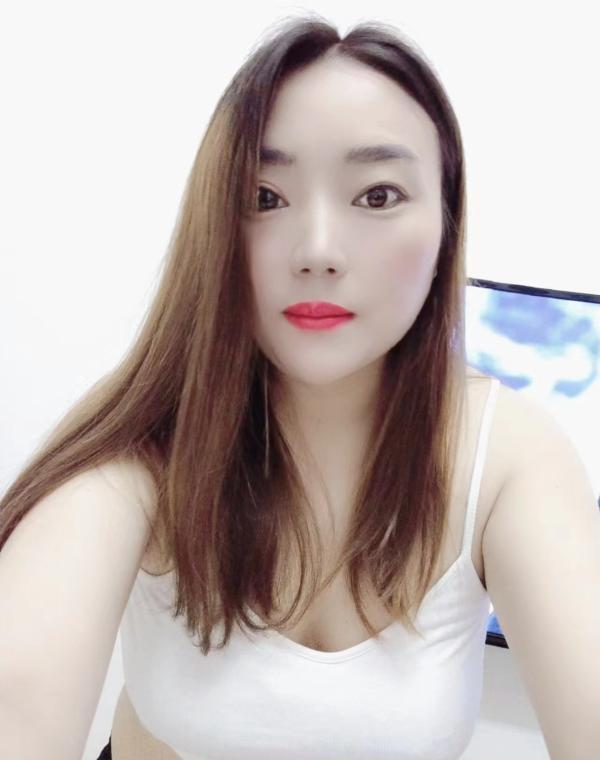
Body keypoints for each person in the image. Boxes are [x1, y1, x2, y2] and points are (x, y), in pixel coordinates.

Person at [2, 12, 598, 760]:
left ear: (447, 221)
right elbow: (20, 684)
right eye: (264, 197)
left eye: (377, 196)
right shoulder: (144, 436)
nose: (317, 251)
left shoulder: (506, 454)